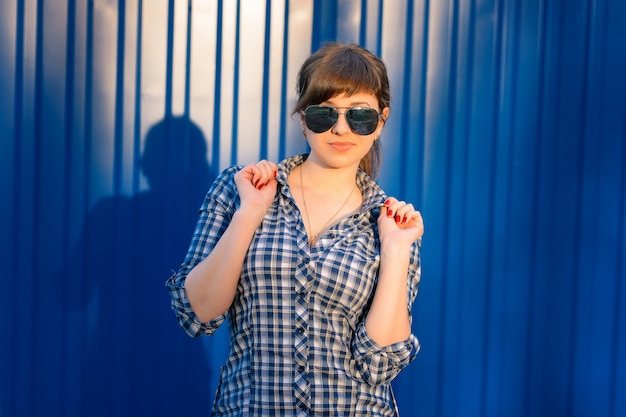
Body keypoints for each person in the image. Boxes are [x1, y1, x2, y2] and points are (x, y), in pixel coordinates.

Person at [166, 42, 424, 416]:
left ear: (381, 120)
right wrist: (250, 213)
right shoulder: (241, 190)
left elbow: (379, 363)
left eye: (360, 116)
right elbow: (198, 313)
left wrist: (397, 250)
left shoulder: (393, 223)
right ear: (303, 118)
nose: (341, 128)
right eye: (324, 114)